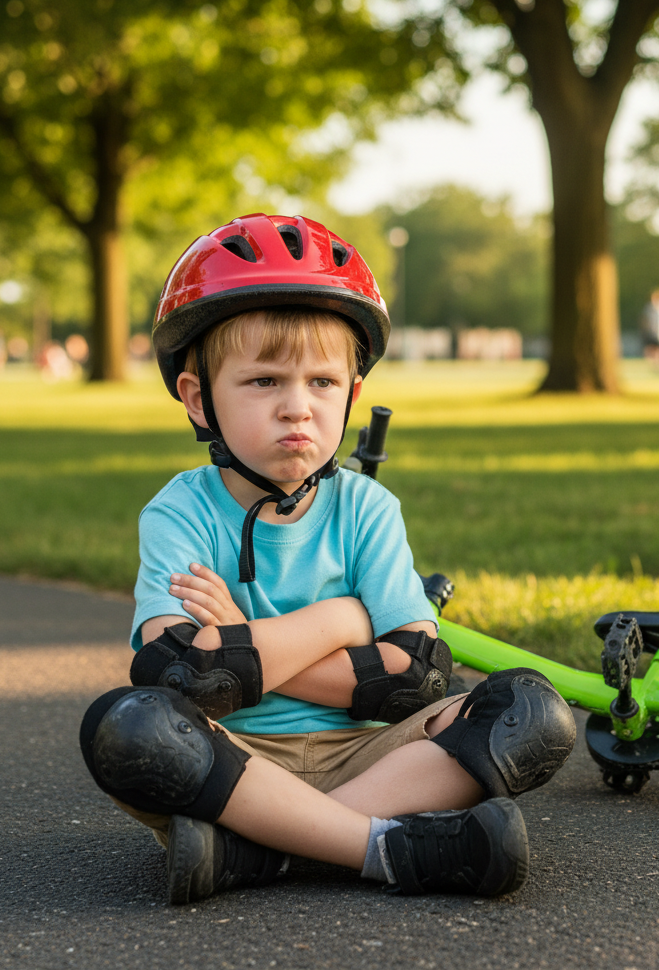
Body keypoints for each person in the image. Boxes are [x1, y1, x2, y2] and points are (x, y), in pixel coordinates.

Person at [79, 214, 576, 905]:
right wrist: (344, 619)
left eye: (321, 382)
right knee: (130, 728)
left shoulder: (367, 509)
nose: (297, 408)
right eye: (262, 383)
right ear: (199, 399)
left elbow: (414, 678)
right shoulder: (179, 511)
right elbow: (185, 675)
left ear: (353, 395)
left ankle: (259, 851)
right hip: (237, 758)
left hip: (368, 751)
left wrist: (244, 648)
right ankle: (384, 847)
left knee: (529, 712)